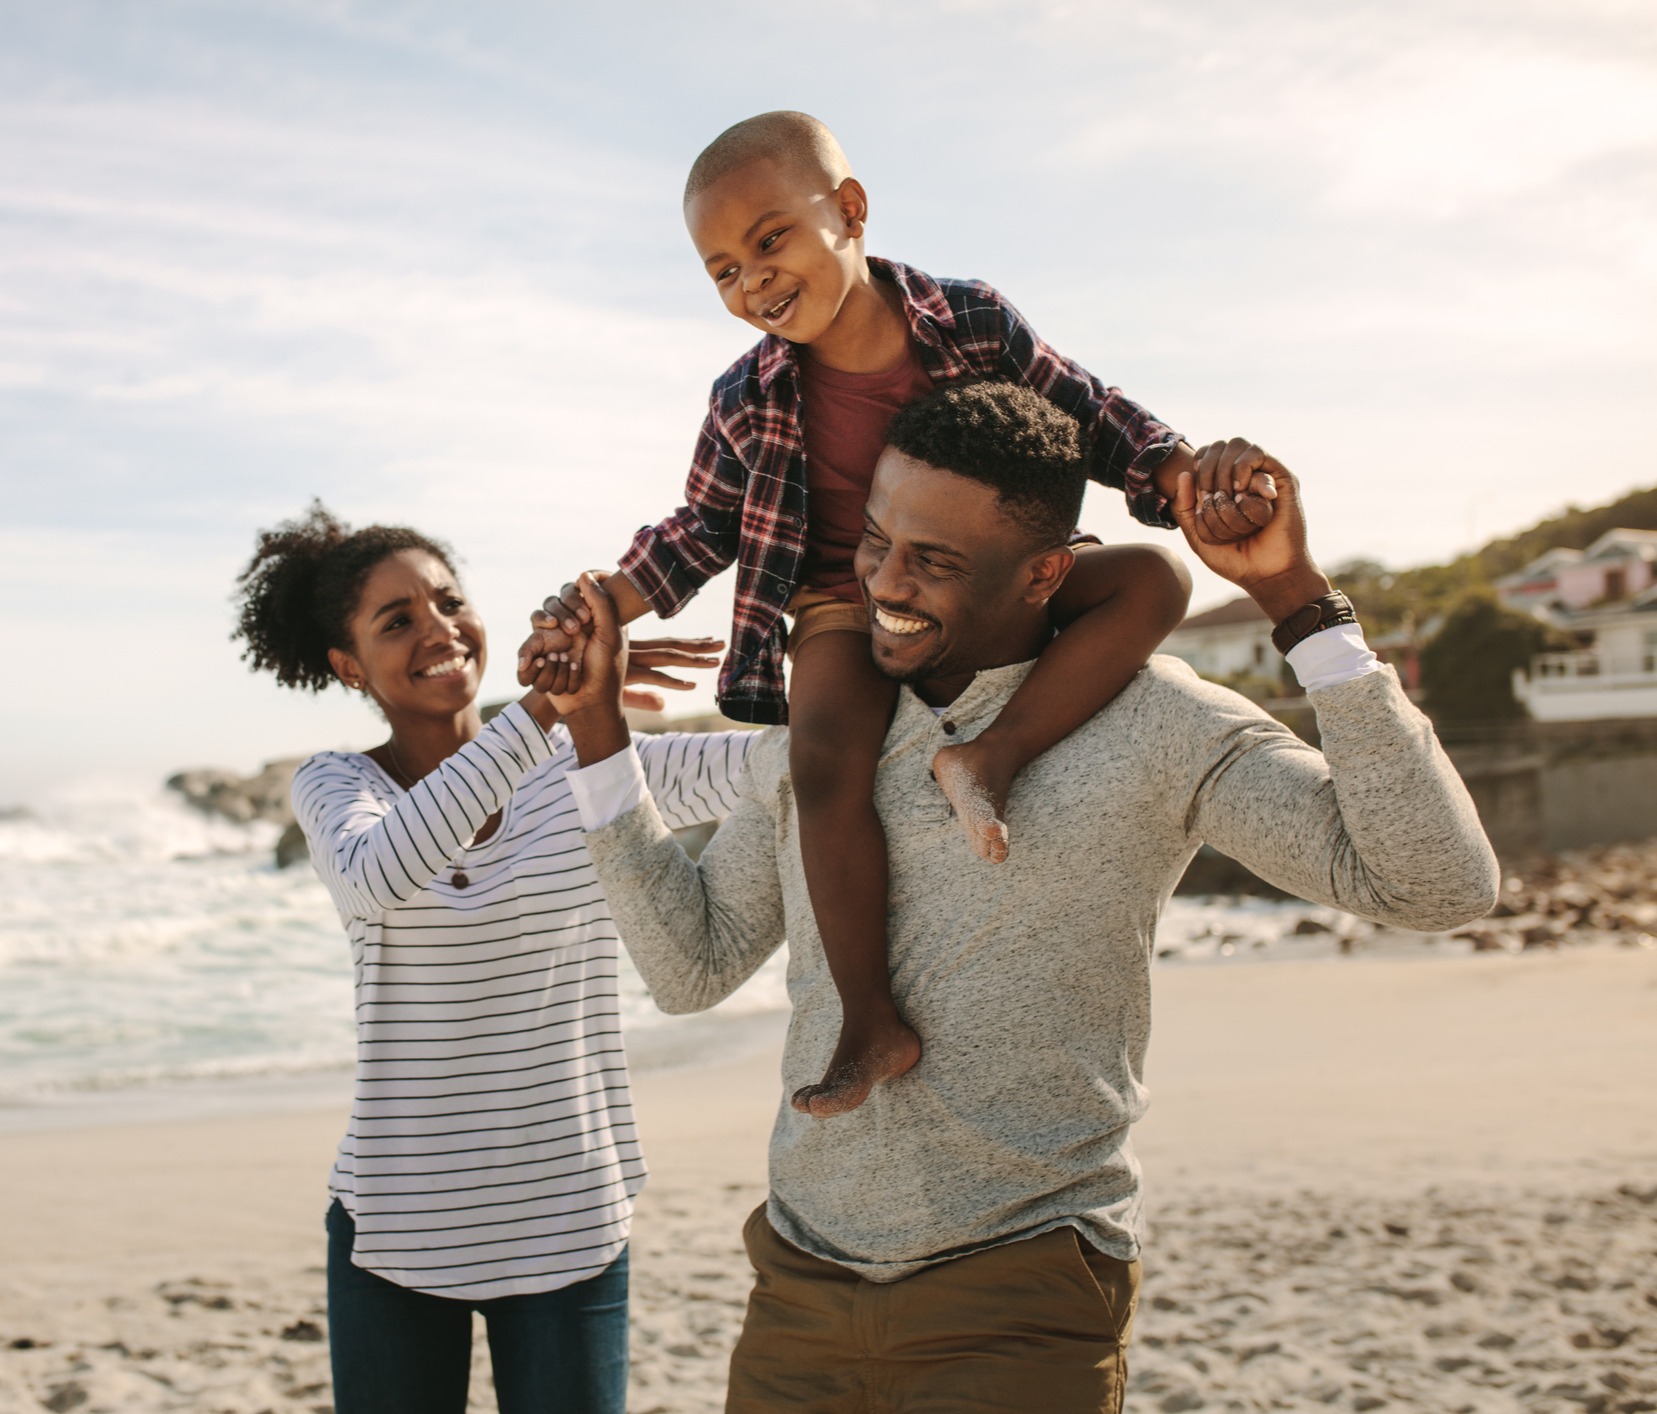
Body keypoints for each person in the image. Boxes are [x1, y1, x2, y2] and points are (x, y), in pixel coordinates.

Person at [542, 381, 1499, 1414]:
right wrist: (597, 731)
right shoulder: (823, 740)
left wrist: (1296, 599)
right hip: (800, 1290)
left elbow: (1435, 882)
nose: (883, 584)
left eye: (935, 561)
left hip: (1022, 1297)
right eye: (874, 540)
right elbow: (689, 967)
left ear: (1046, 572)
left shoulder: (1155, 724)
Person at [525, 109, 1278, 1119]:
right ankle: (868, 1019)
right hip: (843, 597)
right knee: (825, 755)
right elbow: (701, 526)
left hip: (984, 580)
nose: (751, 284)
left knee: (1154, 584)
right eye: (721, 272)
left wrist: (1179, 472)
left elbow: (1089, 413)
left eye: (769, 242)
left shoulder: (969, 321)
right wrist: (603, 600)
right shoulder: (744, 395)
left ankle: (991, 756)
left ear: (848, 210)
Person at [230, 503, 750, 1414]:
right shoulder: (336, 785)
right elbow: (378, 873)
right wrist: (545, 708)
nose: (438, 629)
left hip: (571, 1222)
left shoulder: (590, 764)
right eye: (397, 622)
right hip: (396, 1229)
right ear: (348, 666)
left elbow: (779, 767)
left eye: (447, 600)